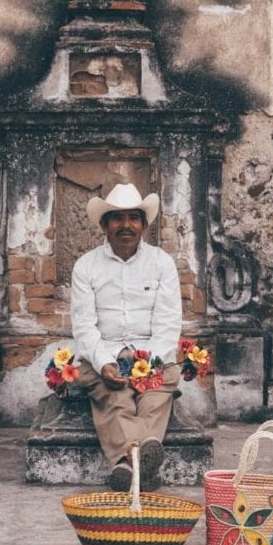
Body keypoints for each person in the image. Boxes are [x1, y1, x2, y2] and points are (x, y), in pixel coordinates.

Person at [70, 182, 182, 492]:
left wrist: (148, 363)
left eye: (134, 218)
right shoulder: (86, 266)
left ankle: (126, 462)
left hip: (150, 354)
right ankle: (140, 459)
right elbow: (84, 327)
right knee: (116, 396)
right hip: (104, 353)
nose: (126, 225)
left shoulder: (161, 263)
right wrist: (105, 362)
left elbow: (168, 322)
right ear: (104, 225)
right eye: (117, 218)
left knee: (159, 389)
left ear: (144, 225)